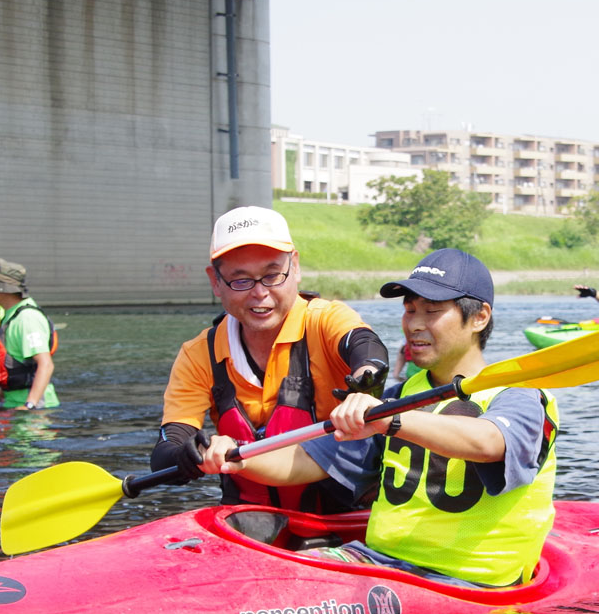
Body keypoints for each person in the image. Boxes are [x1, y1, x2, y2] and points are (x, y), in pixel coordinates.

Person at [201, 249, 559, 588]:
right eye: (409, 310)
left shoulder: (520, 395)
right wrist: (237, 457)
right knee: (270, 577)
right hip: (378, 562)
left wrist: (393, 421)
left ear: (479, 317)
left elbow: (489, 442)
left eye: (431, 312)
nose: (414, 325)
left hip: (466, 581)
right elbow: (305, 461)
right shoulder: (399, 397)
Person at [152, 205, 389, 513]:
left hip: (343, 519)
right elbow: (166, 450)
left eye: (272, 275)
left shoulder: (323, 320)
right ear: (215, 281)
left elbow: (365, 346)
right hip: (251, 522)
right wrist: (195, 452)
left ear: (296, 267)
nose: (260, 293)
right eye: (241, 280)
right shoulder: (199, 354)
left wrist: (365, 382)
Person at [0, 258, 59, 410]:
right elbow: (16, 360)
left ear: (1, 289)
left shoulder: (27, 318)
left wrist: (30, 405)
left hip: (36, 409)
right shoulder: (11, 315)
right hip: (12, 403)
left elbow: (46, 364)